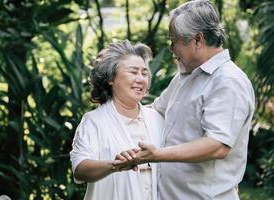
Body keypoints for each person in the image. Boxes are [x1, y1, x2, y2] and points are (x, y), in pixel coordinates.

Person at [115, 0, 255, 199]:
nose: (171, 49)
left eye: (174, 41)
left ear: (197, 40)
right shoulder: (185, 76)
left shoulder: (228, 81)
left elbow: (217, 145)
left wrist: (157, 155)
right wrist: (112, 114)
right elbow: (155, 110)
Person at [69, 40, 164, 200]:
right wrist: (115, 165)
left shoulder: (156, 118)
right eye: (133, 72)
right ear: (111, 78)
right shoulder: (93, 121)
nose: (140, 79)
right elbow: (80, 169)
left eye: (144, 73)